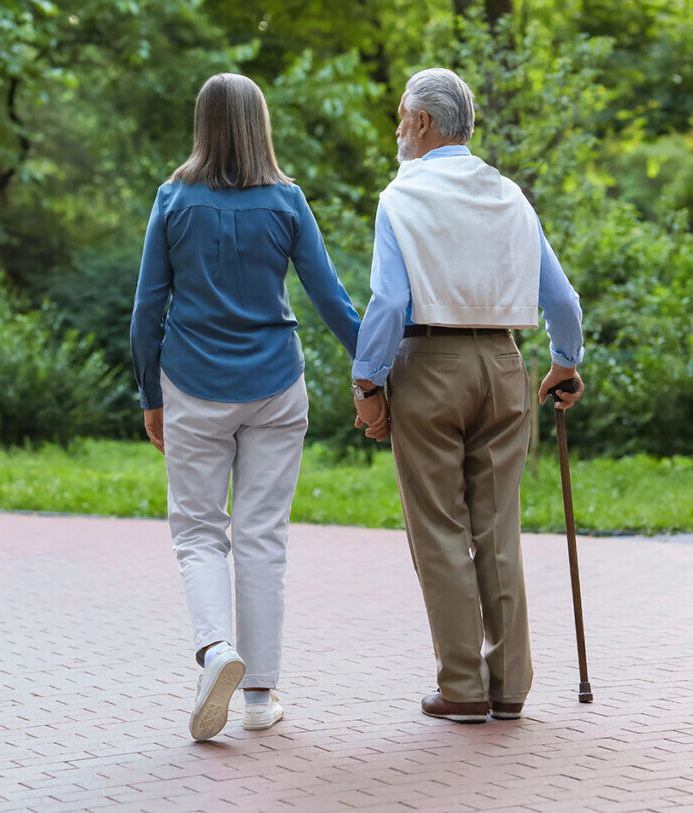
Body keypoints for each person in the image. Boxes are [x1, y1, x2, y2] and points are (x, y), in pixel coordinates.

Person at [130, 73, 360, 741]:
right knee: (262, 537)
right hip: (275, 386)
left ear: (201, 124)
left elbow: (147, 309)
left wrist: (151, 396)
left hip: (192, 385)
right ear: (259, 123)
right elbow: (330, 299)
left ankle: (215, 652)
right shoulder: (286, 201)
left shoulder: (173, 199)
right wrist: (375, 371)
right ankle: (258, 693)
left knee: (199, 532)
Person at [351, 68, 585, 723]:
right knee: (496, 528)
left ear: (421, 122)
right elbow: (561, 300)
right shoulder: (508, 195)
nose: (398, 128)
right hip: (504, 362)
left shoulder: (401, 195)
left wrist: (367, 383)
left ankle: (462, 687)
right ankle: (508, 685)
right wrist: (564, 363)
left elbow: (388, 301)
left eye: (401, 116)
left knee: (440, 529)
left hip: (427, 361)